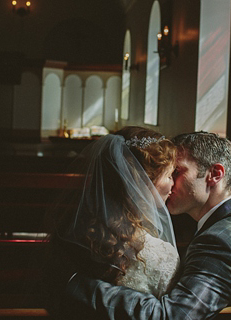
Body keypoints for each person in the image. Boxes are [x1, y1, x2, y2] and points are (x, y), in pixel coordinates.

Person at [66, 131, 231, 319]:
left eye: (178, 171)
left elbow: (171, 316)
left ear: (214, 174)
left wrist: (80, 286)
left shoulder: (218, 242)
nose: (170, 180)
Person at [43, 126, 180, 316]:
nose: (173, 183)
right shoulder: (161, 255)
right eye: (169, 175)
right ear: (144, 181)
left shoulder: (74, 231)